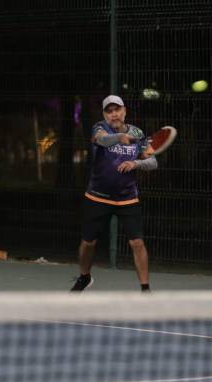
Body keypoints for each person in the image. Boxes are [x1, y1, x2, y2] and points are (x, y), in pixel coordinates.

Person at [71, 95, 158, 293]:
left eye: (117, 110)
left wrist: (135, 163)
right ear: (104, 114)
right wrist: (119, 138)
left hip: (127, 197)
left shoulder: (137, 133)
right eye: (109, 111)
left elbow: (152, 162)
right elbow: (100, 140)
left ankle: (145, 289)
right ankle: (84, 277)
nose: (113, 114)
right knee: (88, 243)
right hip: (97, 196)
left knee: (137, 242)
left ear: (124, 111)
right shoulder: (100, 128)